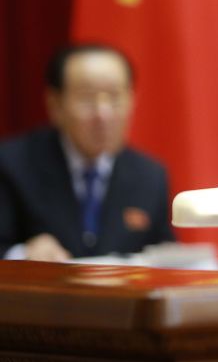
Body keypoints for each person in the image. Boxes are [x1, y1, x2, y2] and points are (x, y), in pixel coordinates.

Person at [0, 44, 174, 261]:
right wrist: (23, 254)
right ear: (55, 105)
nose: (103, 114)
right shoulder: (12, 164)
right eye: (87, 97)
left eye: (114, 97)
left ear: (132, 101)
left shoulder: (150, 176)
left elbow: (165, 255)